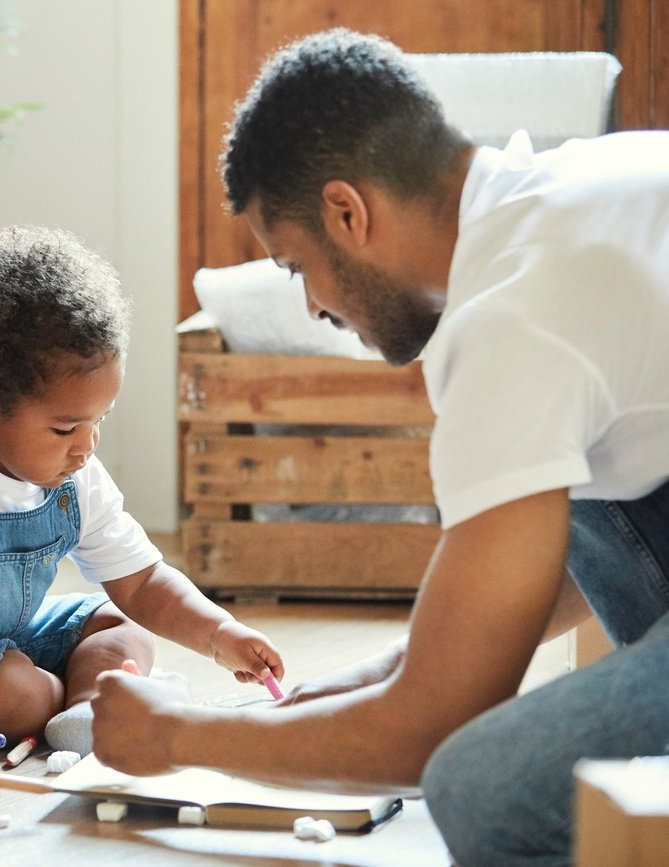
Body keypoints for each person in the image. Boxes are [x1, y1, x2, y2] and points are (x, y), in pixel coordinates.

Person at [89, 27, 669, 867]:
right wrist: (391, 671)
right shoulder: (580, 184)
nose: (316, 308)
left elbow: (426, 732)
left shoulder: (509, 317)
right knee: (560, 470)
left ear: (346, 211)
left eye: (293, 266)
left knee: (480, 786)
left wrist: (176, 735)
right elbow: (567, 540)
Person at [0, 225, 283, 754]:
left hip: (6, 643)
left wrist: (220, 635)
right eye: (65, 429)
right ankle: (58, 700)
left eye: (98, 421)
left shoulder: (75, 474)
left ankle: (81, 714)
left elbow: (144, 583)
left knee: (121, 625)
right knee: (21, 692)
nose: (86, 447)